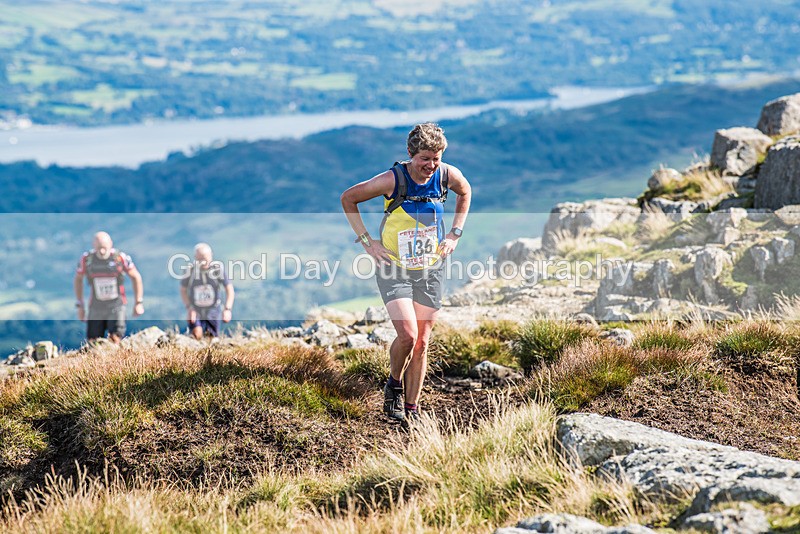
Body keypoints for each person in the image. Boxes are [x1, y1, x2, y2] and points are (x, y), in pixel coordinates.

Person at [340, 123, 472, 424]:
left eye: (436, 157)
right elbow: (348, 198)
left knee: (423, 341)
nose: (431, 165)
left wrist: (454, 234)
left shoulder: (446, 175)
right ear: (411, 154)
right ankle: (393, 383)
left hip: (432, 266)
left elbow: (465, 192)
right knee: (408, 335)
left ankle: (412, 409)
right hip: (394, 266)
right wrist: (367, 243)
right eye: (425, 158)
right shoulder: (392, 179)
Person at [74, 231, 144, 343]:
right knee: (93, 342)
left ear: (110, 244)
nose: (101, 251)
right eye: (98, 248)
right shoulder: (87, 260)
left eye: (104, 248)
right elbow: (78, 279)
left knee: (115, 339)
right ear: (93, 246)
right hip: (96, 305)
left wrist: (138, 302)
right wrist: (80, 305)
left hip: (116, 305)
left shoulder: (120, 258)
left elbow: (136, 277)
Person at [180, 242, 234, 340]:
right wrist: (189, 308)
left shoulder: (217, 270)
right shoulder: (190, 271)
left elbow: (229, 289)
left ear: (211, 256)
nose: (203, 262)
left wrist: (227, 309)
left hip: (213, 308)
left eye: (205, 258)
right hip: (196, 309)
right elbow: (183, 290)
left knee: (211, 338)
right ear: (195, 258)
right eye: (199, 259)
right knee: (196, 335)